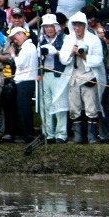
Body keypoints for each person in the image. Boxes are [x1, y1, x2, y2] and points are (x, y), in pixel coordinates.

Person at [58, 12, 104, 143]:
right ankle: (78, 135)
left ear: (84, 25)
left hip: (89, 75)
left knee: (91, 107)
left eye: (79, 25)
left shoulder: (93, 39)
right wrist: (72, 53)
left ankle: (92, 136)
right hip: (74, 75)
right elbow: (62, 58)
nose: (77, 28)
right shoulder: (69, 39)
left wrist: (85, 56)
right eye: (75, 25)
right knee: (74, 107)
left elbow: (99, 60)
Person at [35, 14, 70, 142]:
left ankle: (61, 134)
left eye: (51, 26)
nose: (49, 29)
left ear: (56, 27)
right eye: (46, 26)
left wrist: (56, 51)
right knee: (46, 104)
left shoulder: (64, 39)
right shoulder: (41, 40)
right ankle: (48, 133)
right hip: (45, 74)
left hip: (58, 74)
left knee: (60, 104)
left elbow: (67, 57)